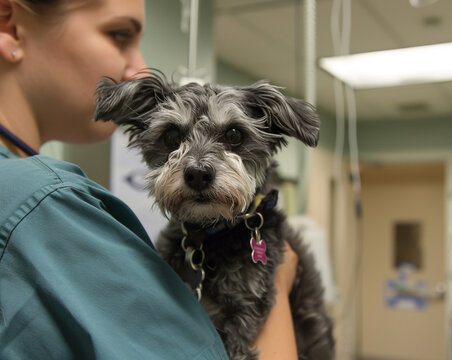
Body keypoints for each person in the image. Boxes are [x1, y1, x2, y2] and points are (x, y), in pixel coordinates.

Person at [0, 0, 299, 359]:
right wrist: (279, 285)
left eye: (233, 138)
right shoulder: (46, 203)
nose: (139, 67)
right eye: (119, 35)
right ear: (10, 27)